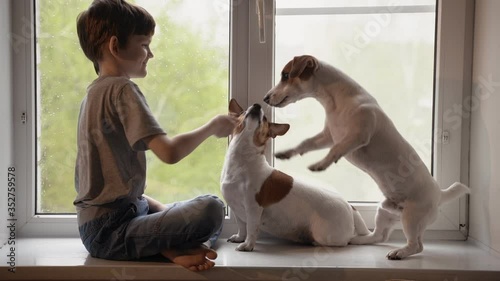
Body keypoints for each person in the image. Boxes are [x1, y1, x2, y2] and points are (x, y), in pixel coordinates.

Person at [74, 0, 237, 271]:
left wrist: (167, 215)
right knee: (211, 209)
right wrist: (212, 128)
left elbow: (125, 195)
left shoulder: (92, 94)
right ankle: (174, 245)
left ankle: (170, 248)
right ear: (115, 46)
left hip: (96, 227)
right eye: (144, 44)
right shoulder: (123, 90)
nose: (150, 54)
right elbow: (169, 152)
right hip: (112, 232)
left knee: (199, 210)